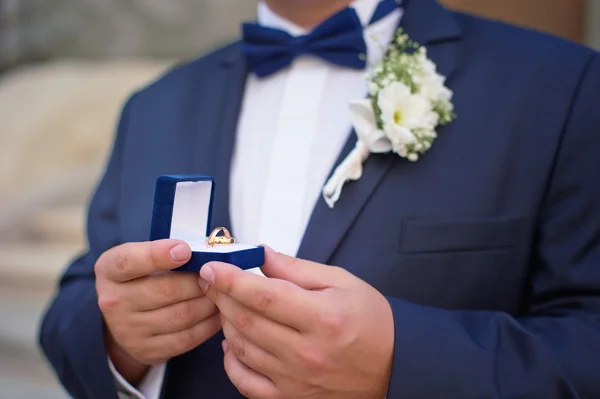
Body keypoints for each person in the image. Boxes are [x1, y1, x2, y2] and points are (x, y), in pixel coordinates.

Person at [40, 0, 600, 398]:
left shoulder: (562, 87)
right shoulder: (154, 104)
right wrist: (119, 342)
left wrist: (400, 365)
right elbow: (75, 302)